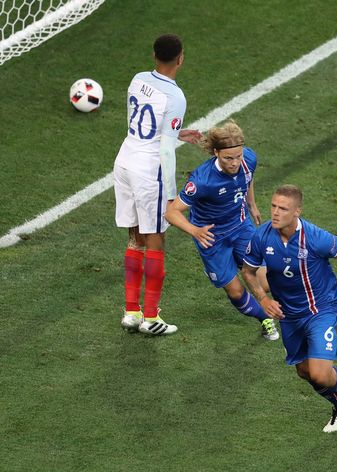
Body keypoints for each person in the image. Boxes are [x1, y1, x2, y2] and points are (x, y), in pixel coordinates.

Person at [242, 185, 337, 433]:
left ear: (297, 211)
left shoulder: (315, 238)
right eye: (273, 206)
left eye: (282, 208)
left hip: (320, 309)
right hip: (289, 315)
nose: (274, 212)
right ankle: (336, 406)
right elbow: (248, 271)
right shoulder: (262, 236)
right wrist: (262, 299)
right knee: (304, 371)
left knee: (319, 373)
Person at [114, 34, 203, 336]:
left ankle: (130, 311)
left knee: (135, 237)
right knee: (155, 241)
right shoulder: (175, 97)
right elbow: (164, 151)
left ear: (154, 55)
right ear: (181, 58)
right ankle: (150, 317)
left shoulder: (138, 79)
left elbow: (141, 123)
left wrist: (178, 133)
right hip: (148, 170)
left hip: (125, 159)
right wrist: (171, 193)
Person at [164, 120, 279, 341]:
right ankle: (263, 317)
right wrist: (195, 231)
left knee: (264, 280)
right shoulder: (202, 180)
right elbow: (171, 213)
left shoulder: (249, 158)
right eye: (228, 158)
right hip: (212, 239)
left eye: (238, 156)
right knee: (236, 292)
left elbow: (247, 178)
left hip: (241, 226)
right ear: (216, 153)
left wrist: (252, 204)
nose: (235, 162)